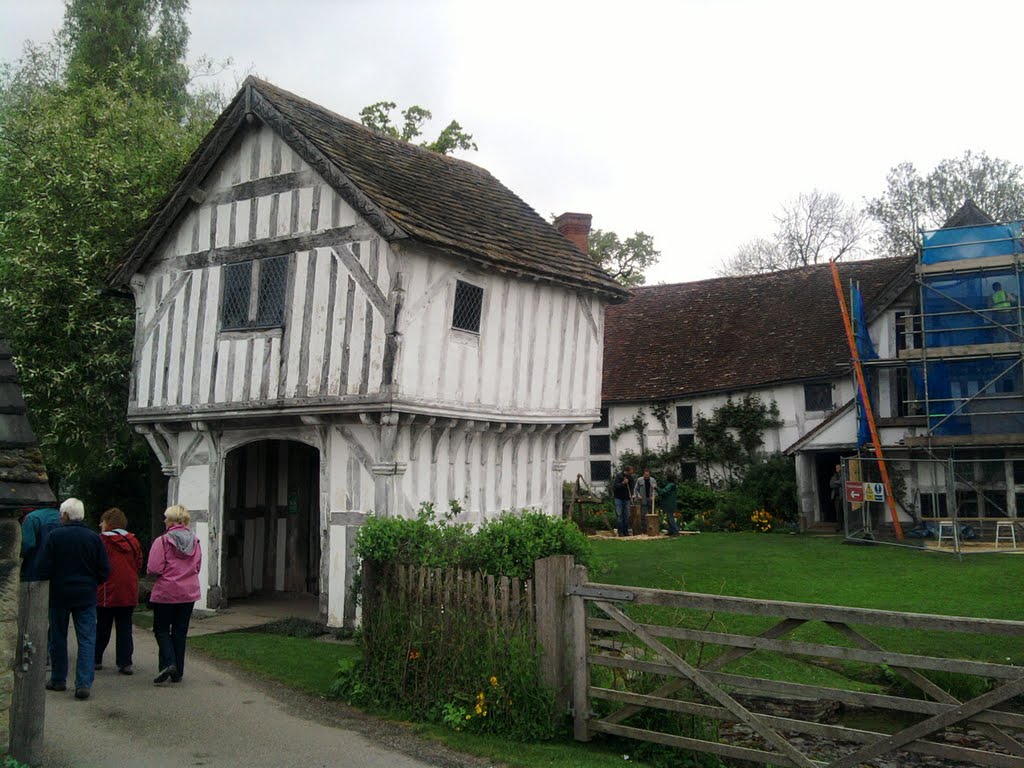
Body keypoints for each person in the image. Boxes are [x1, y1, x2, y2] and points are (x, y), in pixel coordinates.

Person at [37, 498, 110, 700]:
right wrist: (93, 581)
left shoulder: (54, 536)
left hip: (59, 594)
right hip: (86, 593)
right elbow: (104, 569)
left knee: (58, 636)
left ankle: (59, 679)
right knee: (86, 638)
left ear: (66, 515)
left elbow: (43, 566)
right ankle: (84, 683)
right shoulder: (94, 538)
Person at [147, 505, 202, 684]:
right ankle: (177, 671)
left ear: (172, 521)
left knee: (161, 629)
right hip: (188, 593)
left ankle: (169, 663)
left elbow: (153, 568)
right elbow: (197, 567)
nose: (164, 521)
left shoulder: (162, 541)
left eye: (166, 518)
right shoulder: (195, 541)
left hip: (166, 592)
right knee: (180, 631)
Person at [95, 508, 143, 675]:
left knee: (103, 625)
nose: (100, 524)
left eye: (102, 521)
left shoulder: (102, 541)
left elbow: (97, 563)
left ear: (108, 523)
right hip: (128, 588)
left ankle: (96, 658)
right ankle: (125, 662)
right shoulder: (133, 541)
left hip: (107, 589)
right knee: (124, 626)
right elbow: (138, 563)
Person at [20, 504, 61, 580]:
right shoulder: (61, 515)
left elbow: (27, 544)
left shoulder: (31, 517)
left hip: (37, 566)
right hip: (59, 567)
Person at [612, 466, 636, 537]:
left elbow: (632, 487)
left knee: (626, 515)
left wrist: (631, 495)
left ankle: (626, 531)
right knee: (619, 515)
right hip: (618, 498)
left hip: (627, 498)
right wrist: (623, 483)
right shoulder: (619, 476)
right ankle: (620, 532)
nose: (631, 474)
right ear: (627, 471)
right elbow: (615, 486)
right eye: (630, 472)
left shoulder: (630, 478)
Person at [659, 471, 680, 536]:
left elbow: (663, 491)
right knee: (669, 517)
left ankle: (675, 531)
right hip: (671, 503)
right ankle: (671, 531)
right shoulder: (673, 485)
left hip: (669, 504)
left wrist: (655, 487)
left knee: (670, 518)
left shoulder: (671, 485)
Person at [829, 464, 844, 533]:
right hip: (837, 497)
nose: (837, 469)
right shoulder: (834, 476)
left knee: (844, 512)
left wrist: (838, 483)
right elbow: (831, 485)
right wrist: (839, 483)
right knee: (838, 513)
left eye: (838, 467)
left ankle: (845, 527)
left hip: (843, 497)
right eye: (836, 468)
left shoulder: (844, 474)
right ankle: (839, 527)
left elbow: (843, 482)